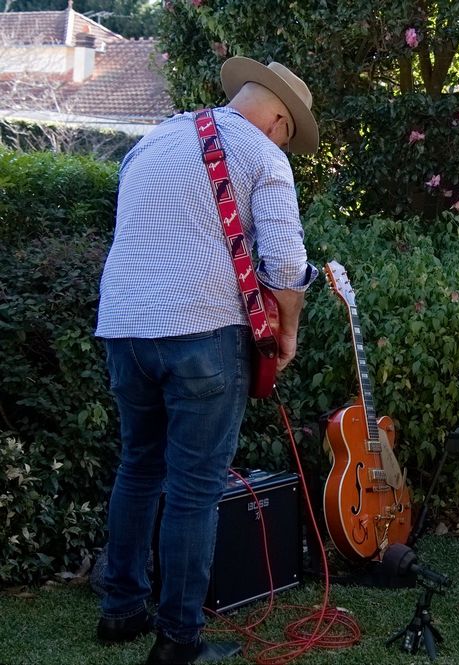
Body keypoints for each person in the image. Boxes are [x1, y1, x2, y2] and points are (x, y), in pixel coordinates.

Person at [94, 56, 319, 664]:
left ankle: (120, 611)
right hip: (201, 330)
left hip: (123, 328)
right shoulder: (265, 156)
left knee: (138, 467)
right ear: (276, 120)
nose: (284, 143)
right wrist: (288, 333)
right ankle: (179, 639)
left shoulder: (155, 140)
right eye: (288, 134)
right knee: (194, 489)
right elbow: (287, 267)